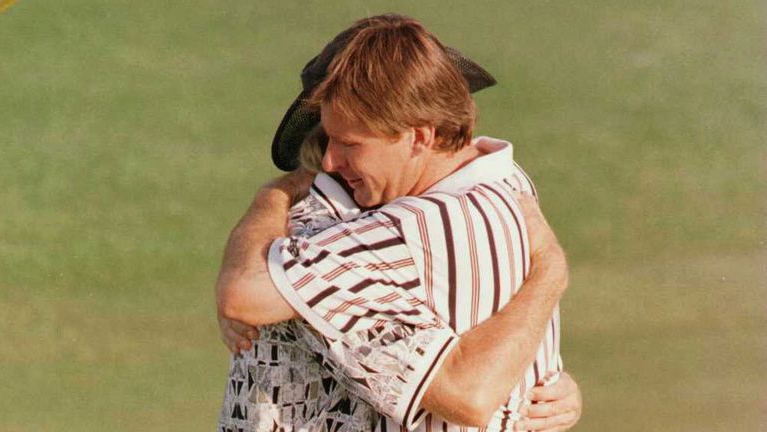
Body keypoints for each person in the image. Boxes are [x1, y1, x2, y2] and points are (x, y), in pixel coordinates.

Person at [217, 14, 578, 431]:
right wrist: (543, 374)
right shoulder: (511, 184)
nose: (332, 162)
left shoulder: (391, 233)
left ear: (420, 136)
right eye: (326, 140)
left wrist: (274, 193)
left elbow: (242, 292)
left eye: (350, 143)